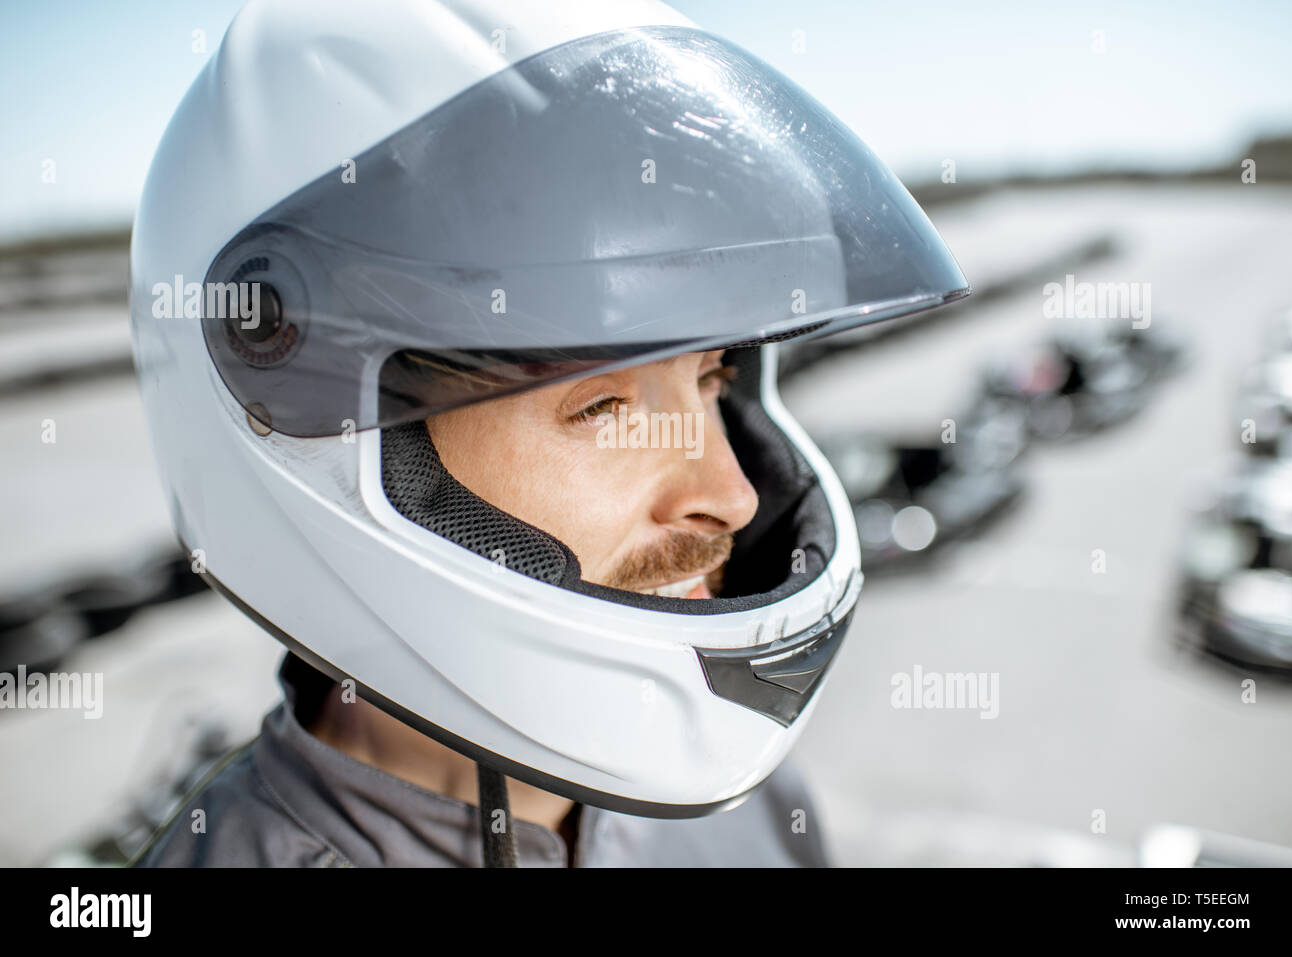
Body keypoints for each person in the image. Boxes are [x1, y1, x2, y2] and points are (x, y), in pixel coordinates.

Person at [128, 0, 967, 867]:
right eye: (603, 408)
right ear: (344, 440)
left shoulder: (751, 817)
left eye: (712, 380)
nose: (732, 496)